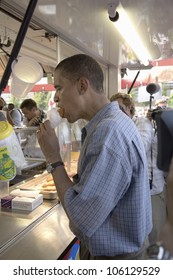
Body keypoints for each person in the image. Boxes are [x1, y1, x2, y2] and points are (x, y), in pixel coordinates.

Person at [37, 54, 152, 260]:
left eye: (59, 88)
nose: (55, 98)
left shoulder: (108, 133)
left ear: (82, 86)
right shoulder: (111, 123)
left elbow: (81, 219)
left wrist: (53, 158)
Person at [110, 92, 167, 245]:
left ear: (130, 109)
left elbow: (140, 148)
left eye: (121, 109)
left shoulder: (140, 122)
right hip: (132, 194)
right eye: (113, 109)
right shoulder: (115, 128)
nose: (117, 113)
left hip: (152, 191)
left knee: (155, 238)